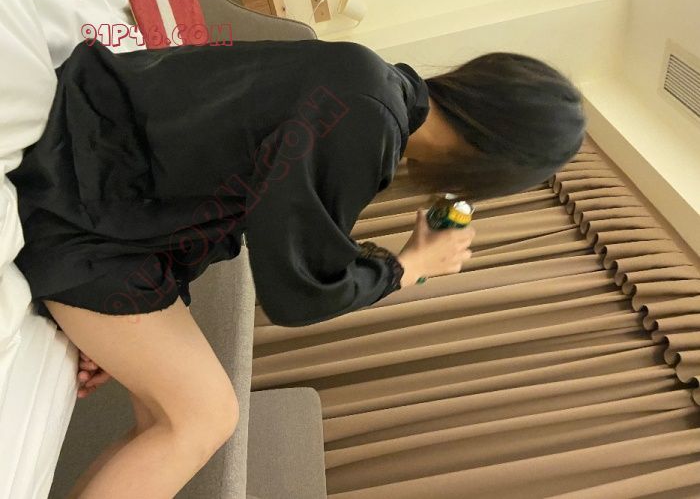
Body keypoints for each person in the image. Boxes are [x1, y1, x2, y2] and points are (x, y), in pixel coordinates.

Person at [6, 39, 585, 497]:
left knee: (171, 417)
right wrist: (407, 267)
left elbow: (205, 186)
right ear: (494, 163)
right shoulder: (368, 119)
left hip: (94, 160)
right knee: (203, 419)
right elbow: (298, 292)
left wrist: (126, 330)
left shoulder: (368, 77)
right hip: (80, 201)